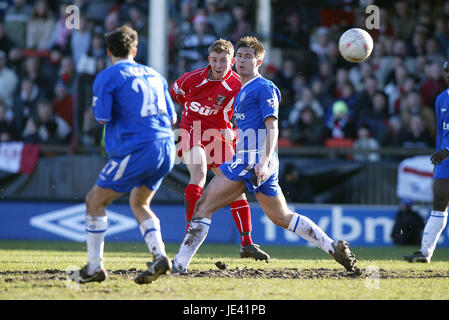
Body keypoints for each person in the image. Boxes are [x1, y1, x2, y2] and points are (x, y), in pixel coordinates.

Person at [168, 36, 358, 276]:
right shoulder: (241, 87)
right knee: (281, 216)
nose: (241, 60)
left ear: (259, 61)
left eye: (248, 57)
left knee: (204, 206)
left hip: (252, 160)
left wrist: (263, 161)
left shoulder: (263, 87)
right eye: (239, 55)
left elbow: (273, 127)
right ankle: (332, 247)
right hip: (249, 159)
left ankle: (179, 265)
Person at [69, 25, 177, 284]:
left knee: (94, 201)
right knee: (139, 204)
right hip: (167, 147)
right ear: (135, 50)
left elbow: (102, 117)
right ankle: (159, 255)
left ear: (108, 52)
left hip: (138, 147)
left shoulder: (108, 76)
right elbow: (173, 117)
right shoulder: (155, 74)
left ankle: (94, 267)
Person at [169, 38, 270, 261]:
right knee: (199, 174)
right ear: (209, 60)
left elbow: (245, 111)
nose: (218, 65)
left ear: (231, 61)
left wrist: (234, 130)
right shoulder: (192, 79)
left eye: (223, 61)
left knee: (234, 187)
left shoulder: (238, 84)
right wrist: (184, 111)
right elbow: (174, 92)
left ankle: (247, 243)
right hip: (192, 130)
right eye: (214, 60)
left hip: (220, 136)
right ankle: (190, 233)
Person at [404, 60, 449, 263]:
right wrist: (441, 153)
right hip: (444, 159)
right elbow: (441, 132)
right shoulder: (441, 99)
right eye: (446, 70)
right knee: (439, 202)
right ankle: (425, 253)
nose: (447, 73)